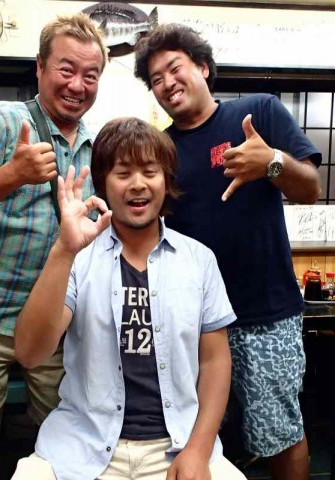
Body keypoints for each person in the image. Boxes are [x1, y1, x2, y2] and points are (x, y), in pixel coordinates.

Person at [134, 24, 322, 480]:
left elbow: (310, 189)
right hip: (192, 321)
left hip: (264, 315)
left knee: (278, 434)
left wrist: (271, 162)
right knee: (193, 436)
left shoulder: (258, 113)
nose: (167, 83)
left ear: (202, 67)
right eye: (156, 79)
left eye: (174, 68)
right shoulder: (162, 149)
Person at [11, 117, 247, 480]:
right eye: (123, 173)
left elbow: (215, 362)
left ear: (166, 181)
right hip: (82, 445)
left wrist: (198, 451)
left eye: (150, 172)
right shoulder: (77, 259)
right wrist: (63, 250)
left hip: (178, 445)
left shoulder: (199, 260)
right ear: (103, 183)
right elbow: (30, 353)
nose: (138, 184)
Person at [0, 13, 108, 480]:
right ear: (40, 67)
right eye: (66, 69)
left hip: (55, 325)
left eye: (90, 75)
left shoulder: (96, 146)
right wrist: (13, 174)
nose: (78, 85)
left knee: (66, 440)